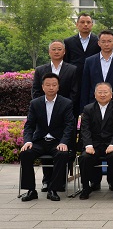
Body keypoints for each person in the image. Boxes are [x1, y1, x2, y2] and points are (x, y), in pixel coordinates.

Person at [20, 73, 75, 202]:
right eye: (48, 85)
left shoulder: (66, 103)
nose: (51, 87)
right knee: (25, 153)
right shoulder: (35, 103)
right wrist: (27, 141)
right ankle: (31, 190)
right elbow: (29, 125)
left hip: (57, 141)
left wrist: (64, 142)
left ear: (58, 87)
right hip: (40, 141)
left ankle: (53, 189)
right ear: (43, 87)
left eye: (54, 85)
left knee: (62, 154)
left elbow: (69, 126)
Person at [78, 82, 113, 200]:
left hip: (111, 143)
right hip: (94, 144)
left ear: (111, 94)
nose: (102, 95)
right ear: (95, 95)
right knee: (85, 157)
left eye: (105, 92)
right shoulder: (88, 109)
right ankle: (85, 187)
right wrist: (88, 145)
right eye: (100, 92)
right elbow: (85, 129)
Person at [80, 30, 113, 111]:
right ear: (99, 43)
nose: (106, 44)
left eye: (109, 41)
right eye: (103, 41)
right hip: (93, 105)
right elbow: (85, 86)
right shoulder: (90, 61)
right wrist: (83, 108)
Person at [63, 13, 100, 101]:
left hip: (93, 78)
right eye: (82, 22)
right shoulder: (68, 42)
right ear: (77, 24)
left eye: (88, 22)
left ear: (92, 24)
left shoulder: (98, 41)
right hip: (74, 79)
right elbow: (66, 61)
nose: (85, 24)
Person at [32, 40, 78, 106]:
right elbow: (35, 91)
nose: (56, 52)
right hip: (44, 107)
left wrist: (66, 106)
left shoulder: (72, 69)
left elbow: (74, 92)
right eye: (53, 49)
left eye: (59, 49)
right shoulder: (39, 70)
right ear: (49, 52)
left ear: (64, 51)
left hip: (66, 107)